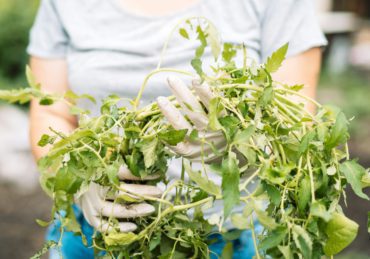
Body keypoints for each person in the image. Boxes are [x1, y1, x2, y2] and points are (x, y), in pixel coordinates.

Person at [28, 0, 327, 258]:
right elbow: (50, 111)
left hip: (236, 237)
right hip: (98, 233)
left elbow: (296, 121)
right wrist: (77, 181)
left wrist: (241, 140)